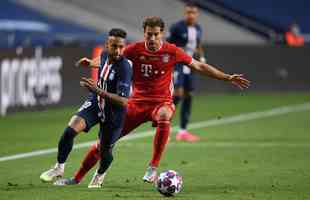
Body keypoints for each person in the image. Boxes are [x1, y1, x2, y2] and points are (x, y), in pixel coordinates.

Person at [52, 16, 250, 187]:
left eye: (156, 34)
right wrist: (92, 63)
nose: (153, 38)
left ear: (162, 34)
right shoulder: (135, 49)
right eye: (149, 34)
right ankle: (77, 178)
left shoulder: (172, 51)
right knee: (103, 145)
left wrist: (226, 77)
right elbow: (114, 57)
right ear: (144, 33)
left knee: (165, 115)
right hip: (135, 103)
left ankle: (152, 167)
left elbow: (198, 65)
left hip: (161, 102)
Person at [39, 28, 133, 188]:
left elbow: (123, 101)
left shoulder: (124, 67)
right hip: (96, 102)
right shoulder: (104, 55)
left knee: (105, 151)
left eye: (121, 47)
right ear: (107, 45)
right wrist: (90, 62)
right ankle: (58, 168)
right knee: (70, 130)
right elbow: (102, 60)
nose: (118, 51)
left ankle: (100, 175)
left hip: (114, 112)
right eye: (114, 46)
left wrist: (97, 90)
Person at [167, 3, 205, 142]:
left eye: (193, 12)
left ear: (197, 14)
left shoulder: (198, 28)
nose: (191, 15)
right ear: (185, 13)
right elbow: (167, 45)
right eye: (188, 12)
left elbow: (199, 45)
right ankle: (164, 126)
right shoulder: (177, 27)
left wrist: (202, 58)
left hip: (191, 64)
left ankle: (182, 131)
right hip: (177, 64)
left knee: (189, 95)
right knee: (177, 94)